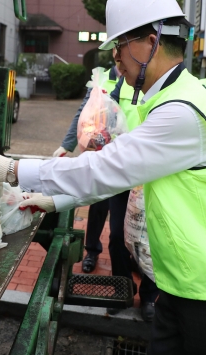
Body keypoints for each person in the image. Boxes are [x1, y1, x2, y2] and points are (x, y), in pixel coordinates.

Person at [0, 0, 206, 355]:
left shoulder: (182, 111)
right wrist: (54, 201)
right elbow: (121, 173)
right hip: (184, 279)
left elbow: (105, 168)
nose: (116, 59)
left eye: (119, 46)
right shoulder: (167, 98)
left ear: (150, 41)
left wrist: (12, 169)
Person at [54, 57, 159, 322]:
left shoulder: (163, 84)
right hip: (121, 168)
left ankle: (149, 297)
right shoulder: (119, 84)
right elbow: (97, 117)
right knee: (116, 236)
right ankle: (122, 288)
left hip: (153, 173)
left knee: (151, 238)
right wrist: (77, 143)